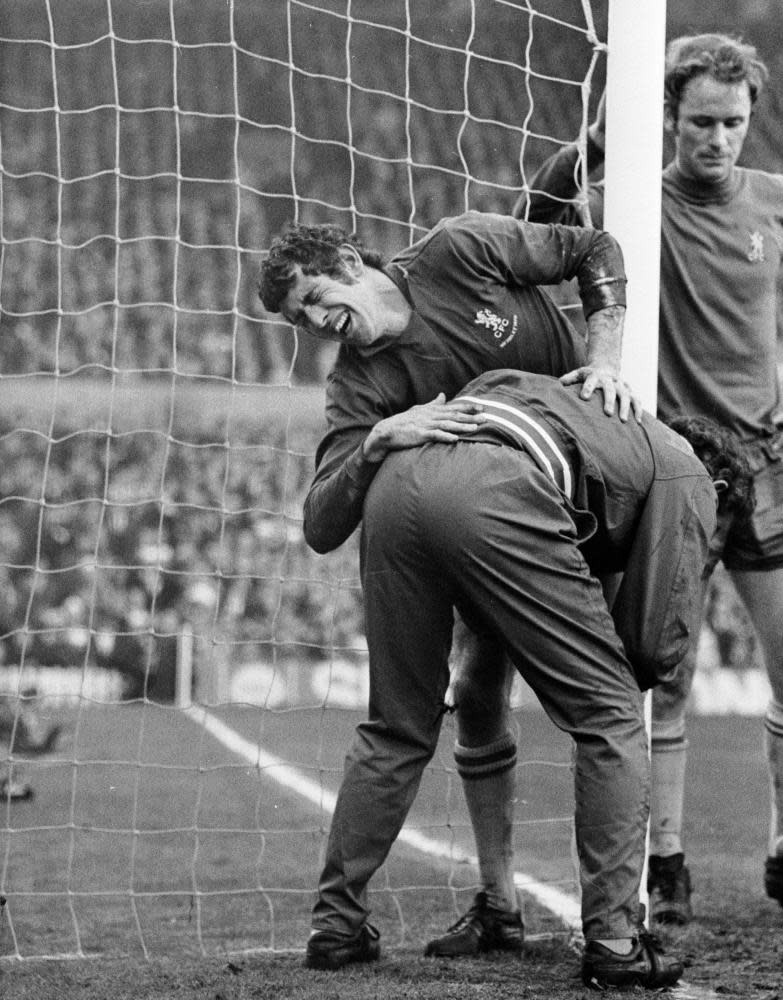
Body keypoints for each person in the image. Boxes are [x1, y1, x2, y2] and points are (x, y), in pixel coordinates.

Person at [257, 209, 638, 952]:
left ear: (344, 259)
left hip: (583, 490)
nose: (315, 325)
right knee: (479, 696)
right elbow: (319, 523)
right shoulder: (360, 385)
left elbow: (593, 247)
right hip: (489, 532)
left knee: (623, 685)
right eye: (300, 322)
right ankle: (500, 903)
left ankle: (652, 874)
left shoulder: (456, 250)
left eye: (311, 301)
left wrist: (604, 361)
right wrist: (374, 443)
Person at [302, 368, 750, 989]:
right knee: (613, 712)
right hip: (493, 489)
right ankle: (617, 942)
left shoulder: (591, 418)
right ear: (719, 486)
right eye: (718, 535)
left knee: (398, 725)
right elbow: (649, 649)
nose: (710, 551)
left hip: (399, 478)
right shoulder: (687, 471)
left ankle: (337, 927)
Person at [507, 32, 783, 926]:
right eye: (700, 121)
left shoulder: (774, 205)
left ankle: (781, 848)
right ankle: (664, 859)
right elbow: (531, 213)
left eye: (733, 123)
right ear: (668, 117)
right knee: (663, 672)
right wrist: (591, 141)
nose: (717, 139)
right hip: (676, 463)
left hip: (769, 462)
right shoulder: (631, 200)